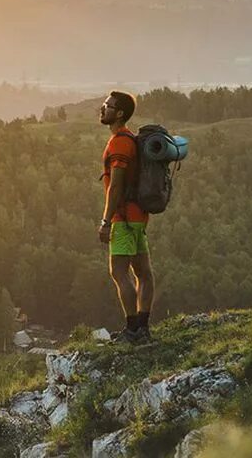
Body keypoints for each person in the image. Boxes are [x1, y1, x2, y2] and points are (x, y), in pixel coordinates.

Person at [98, 91, 155, 343]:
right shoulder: (129, 139)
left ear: (119, 113)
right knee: (143, 272)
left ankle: (132, 330)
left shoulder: (119, 142)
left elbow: (116, 186)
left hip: (123, 217)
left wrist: (106, 220)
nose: (102, 108)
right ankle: (143, 326)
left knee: (119, 272)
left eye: (108, 106)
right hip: (139, 216)